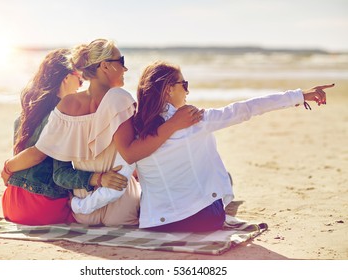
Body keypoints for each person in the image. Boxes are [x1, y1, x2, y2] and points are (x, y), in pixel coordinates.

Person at [3, 40, 203, 226]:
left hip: (82, 211)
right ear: (105, 66)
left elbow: (59, 174)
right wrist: (174, 123)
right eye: (121, 61)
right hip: (118, 205)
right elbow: (133, 154)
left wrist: (96, 179)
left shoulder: (64, 106)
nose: (125, 68)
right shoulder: (119, 98)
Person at [131, 61, 333, 232]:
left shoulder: (136, 126)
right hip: (200, 220)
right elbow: (245, 109)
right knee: (225, 178)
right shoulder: (195, 120)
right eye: (184, 83)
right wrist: (299, 96)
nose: (187, 89)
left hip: (155, 223)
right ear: (168, 89)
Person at [1, 48, 129, 226]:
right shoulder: (62, 118)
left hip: (11, 204)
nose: (81, 85)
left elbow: (28, 159)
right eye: (79, 78)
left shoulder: (26, 116)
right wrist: (97, 178)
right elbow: (58, 172)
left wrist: (8, 167)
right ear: (66, 78)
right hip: (42, 208)